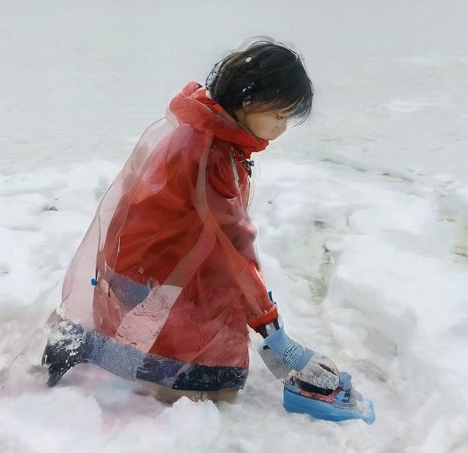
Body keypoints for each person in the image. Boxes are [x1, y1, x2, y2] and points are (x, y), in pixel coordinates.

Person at [42, 39, 342, 404]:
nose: (281, 129)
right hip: (149, 277)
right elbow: (234, 247)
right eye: (278, 115)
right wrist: (274, 332)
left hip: (137, 268)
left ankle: (103, 346)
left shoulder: (207, 128)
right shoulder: (210, 152)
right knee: (220, 386)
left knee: (219, 329)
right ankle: (95, 350)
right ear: (249, 101)